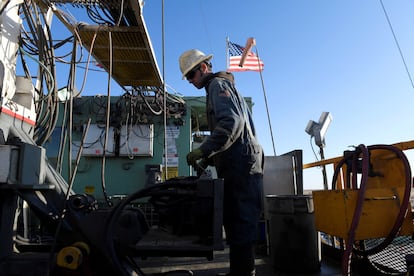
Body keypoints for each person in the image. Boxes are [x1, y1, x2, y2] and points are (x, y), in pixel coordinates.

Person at [179, 49, 264, 276]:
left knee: (242, 222)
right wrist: (210, 157)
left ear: (204, 68)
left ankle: (244, 273)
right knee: (237, 222)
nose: (190, 81)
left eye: (191, 75)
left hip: (242, 165)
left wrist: (203, 150)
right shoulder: (216, 87)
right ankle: (240, 271)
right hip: (240, 163)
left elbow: (230, 123)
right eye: (187, 77)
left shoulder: (217, 86)